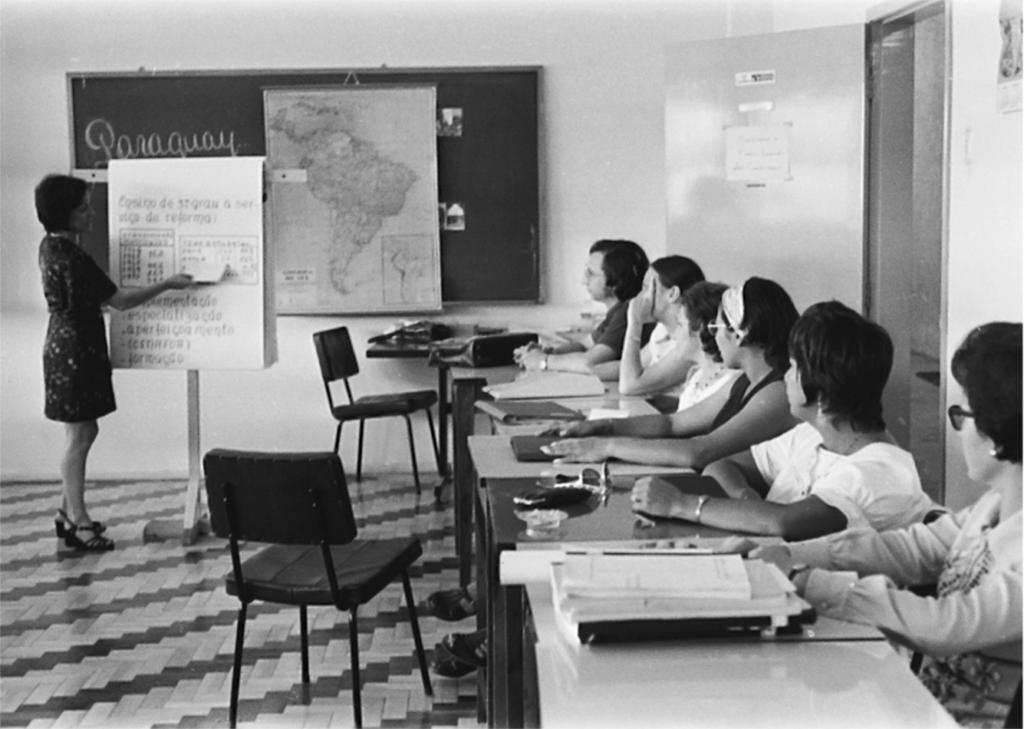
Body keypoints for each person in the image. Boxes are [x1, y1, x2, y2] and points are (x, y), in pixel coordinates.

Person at [743, 322, 1021, 726]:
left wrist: (805, 581)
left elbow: (949, 624)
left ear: (996, 432)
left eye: (962, 415)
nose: (958, 431)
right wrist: (784, 556)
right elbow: (908, 549)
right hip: (922, 707)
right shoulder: (992, 506)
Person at [632, 301, 938, 540]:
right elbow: (721, 466)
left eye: (793, 367)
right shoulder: (812, 436)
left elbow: (784, 523)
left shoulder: (880, 470)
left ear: (818, 388)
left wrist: (680, 504)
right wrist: (746, 500)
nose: (786, 376)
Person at [36, 174, 193, 551]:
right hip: (76, 349)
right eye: (82, 209)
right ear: (64, 213)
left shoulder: (50, 247)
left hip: (66, 343)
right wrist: (168, 284)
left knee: (82, 432)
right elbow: (120, 301)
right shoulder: (72, 256)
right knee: (80, 435)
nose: (90, 214)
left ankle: (68, 513)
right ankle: (79, 522)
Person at [542, 277, 800, 469]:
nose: (714, 336)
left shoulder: (777, 393)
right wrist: (604, 427)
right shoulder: (745, 382)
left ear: (742, 333)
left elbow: (699, 452)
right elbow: (672, 423)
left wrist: (606, 446)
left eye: (717, 327)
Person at [514, 239, 648, 374]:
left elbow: (589, 362)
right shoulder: (617, 311)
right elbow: (584, 345)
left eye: (591, 274)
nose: (584, 281)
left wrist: (543, 361)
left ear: (616, 281)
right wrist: (548, 352)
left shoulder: (629, 312)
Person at [590, 255, 705, 396]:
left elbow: (630, 385)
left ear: (672, 294)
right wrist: (582, 374)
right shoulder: (662, 330)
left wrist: (635, 322)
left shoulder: (692, 339)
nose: (639, 296)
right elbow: (626, 368)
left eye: (645, 288)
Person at [672, 281, 741, 412]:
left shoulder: (731, 382)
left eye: (680, 324)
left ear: (701, 327)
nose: (674, 335)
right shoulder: (696, 376)